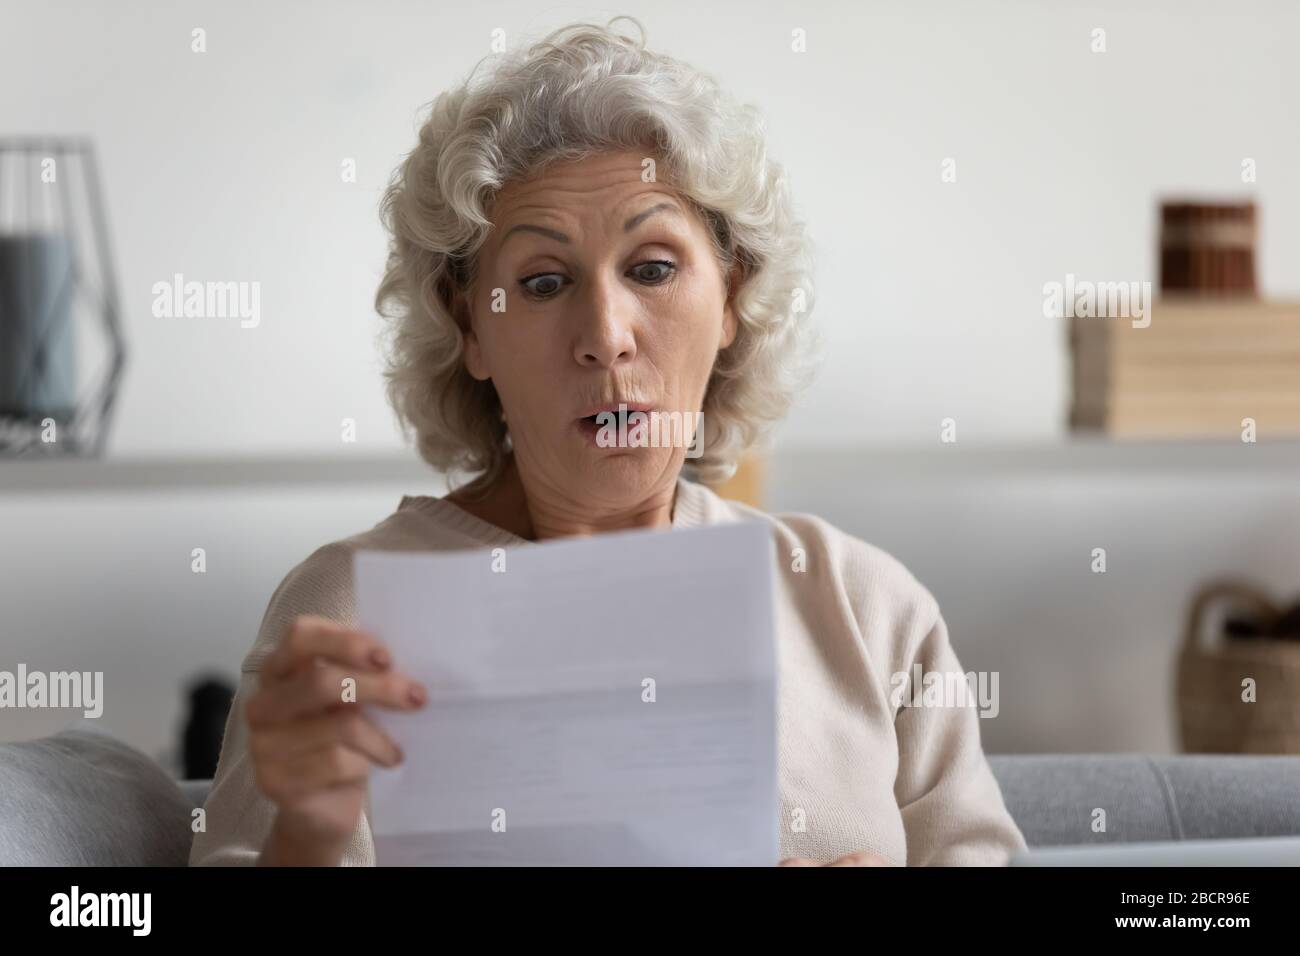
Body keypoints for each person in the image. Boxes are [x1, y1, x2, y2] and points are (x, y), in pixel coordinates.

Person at [190, 16, 1026, 867]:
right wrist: (308, 838)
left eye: (653, 268)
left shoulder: (864, 607)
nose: (606, 335)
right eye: (544, 283)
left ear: (732, 296)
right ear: (469, 325)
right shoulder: (350, 607)